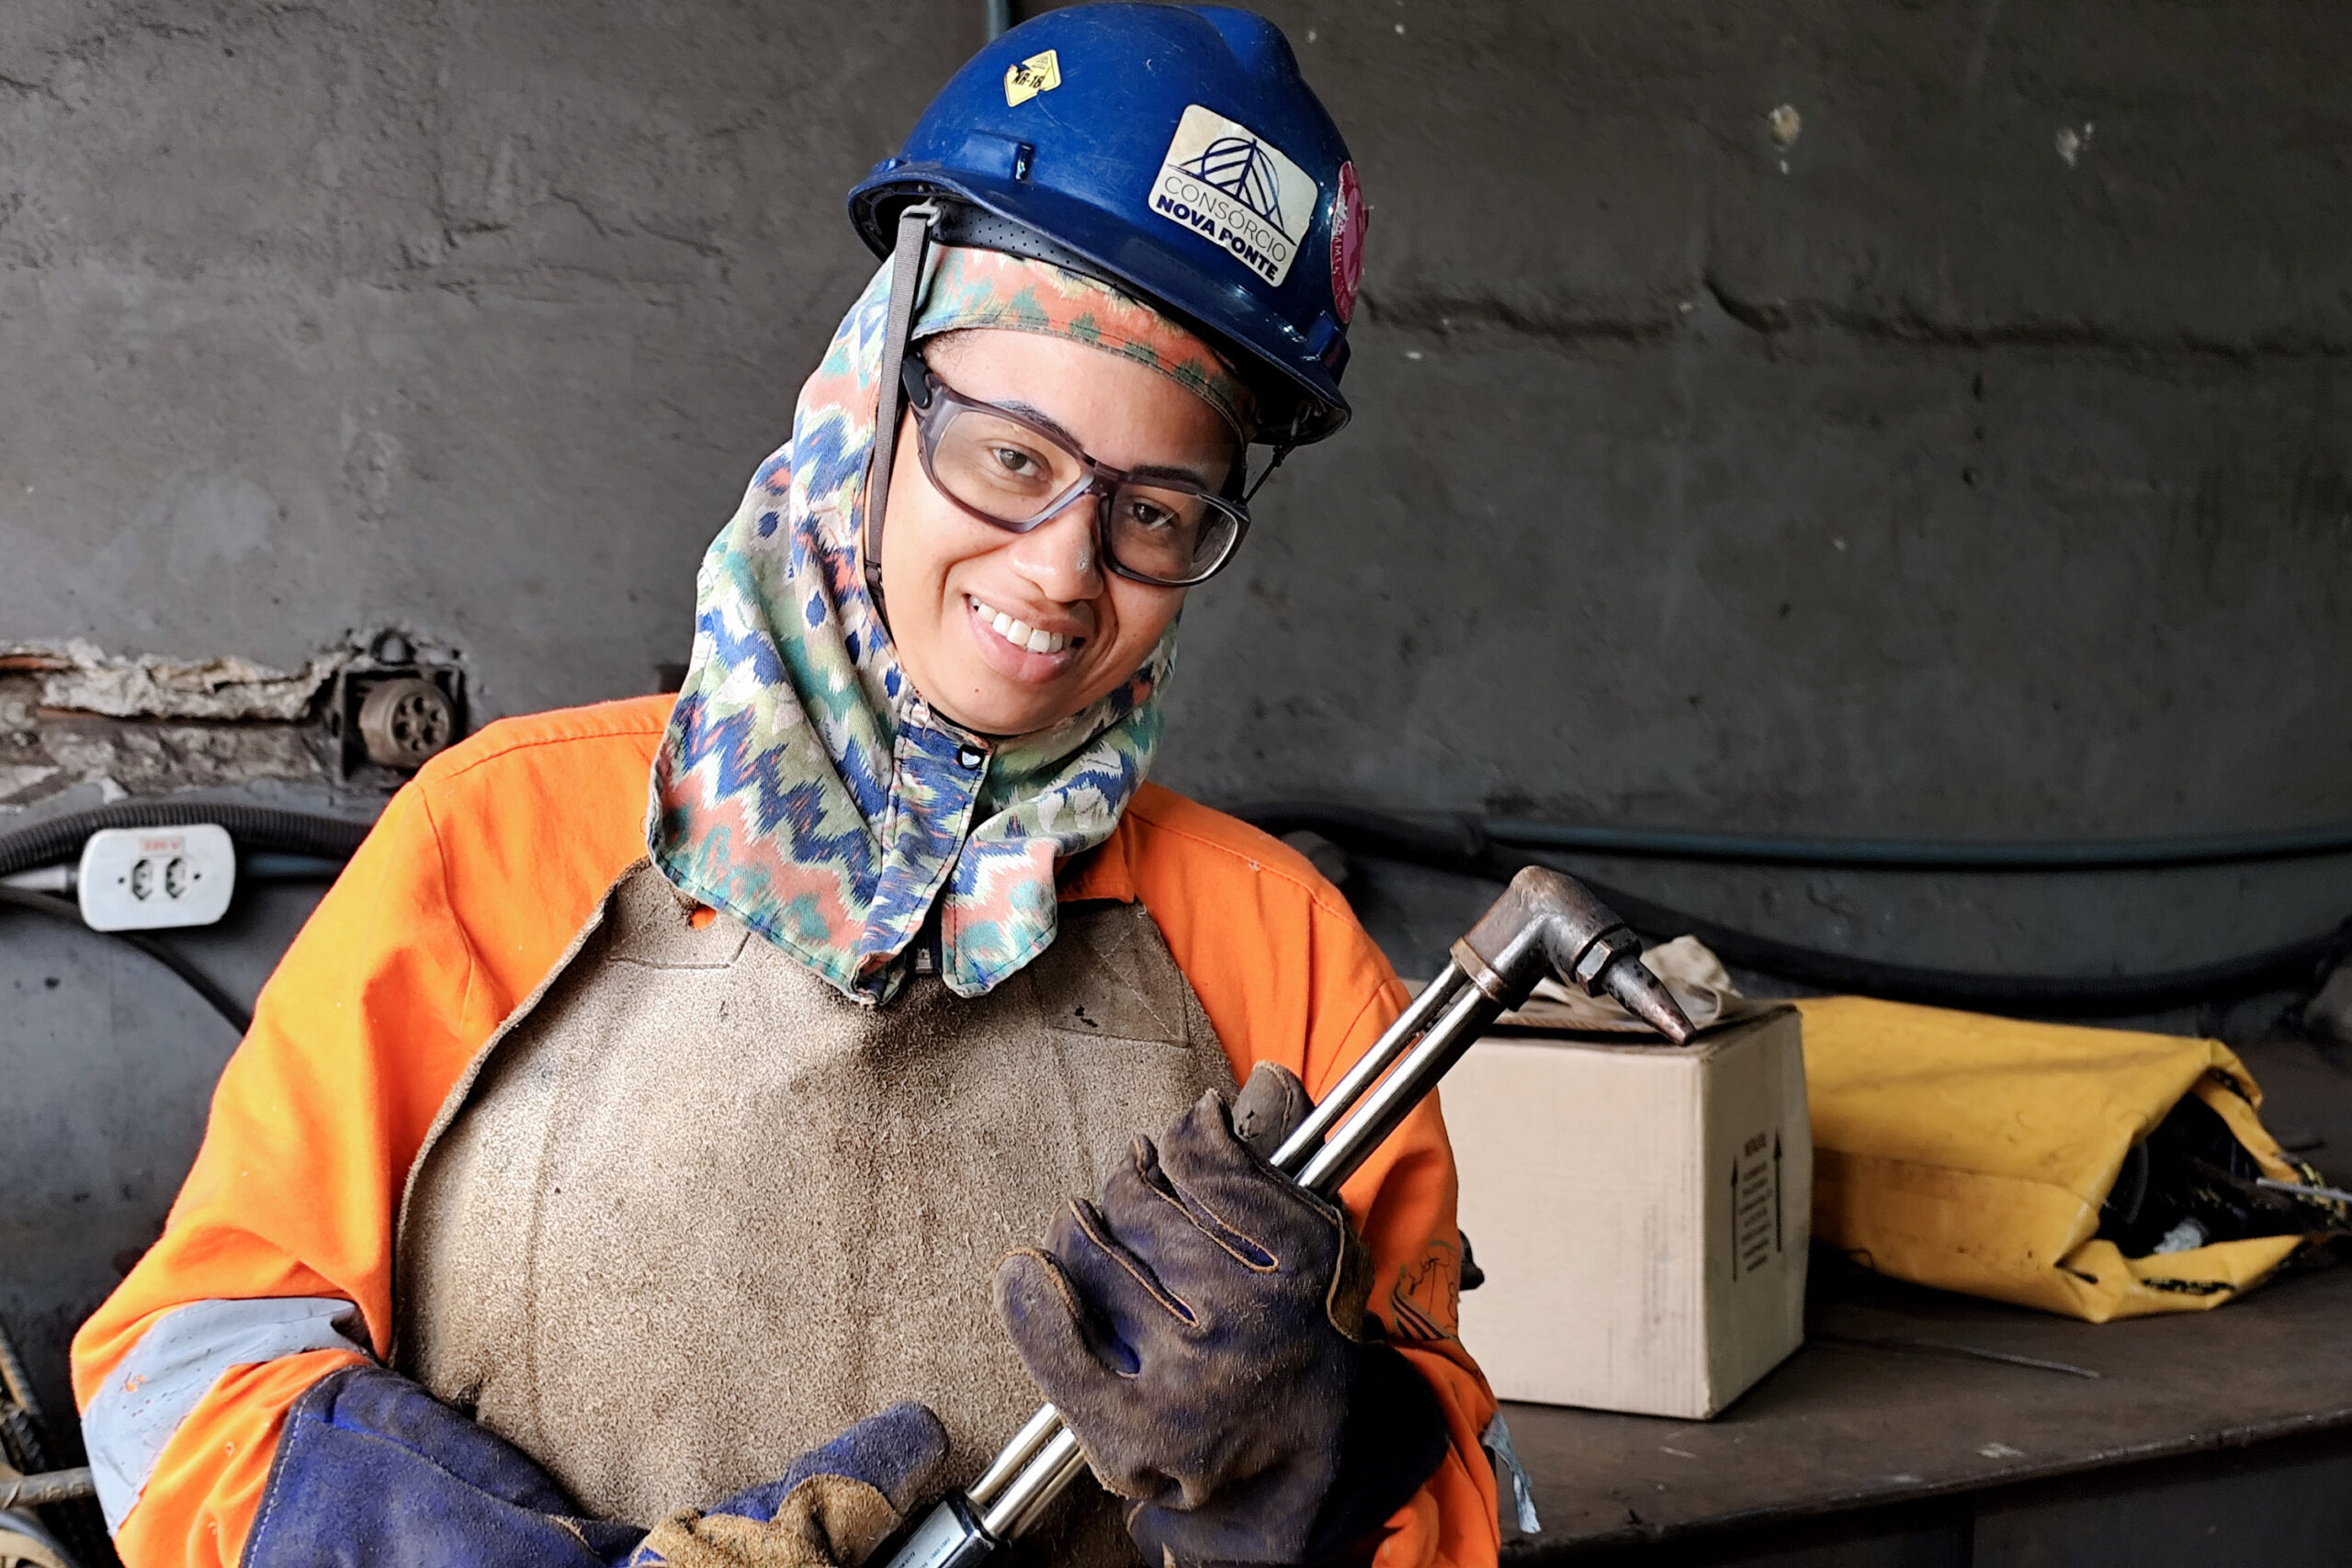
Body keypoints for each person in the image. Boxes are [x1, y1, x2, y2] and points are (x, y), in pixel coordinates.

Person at [71, 8, 1501, 1566]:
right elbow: (178, 1379)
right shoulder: (493, 844)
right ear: (874, 395)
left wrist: (1319, 1463)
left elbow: (1464, 1500)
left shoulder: (1276, 952)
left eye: (1155, 512)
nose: (1063, 573)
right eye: (1011, 460)